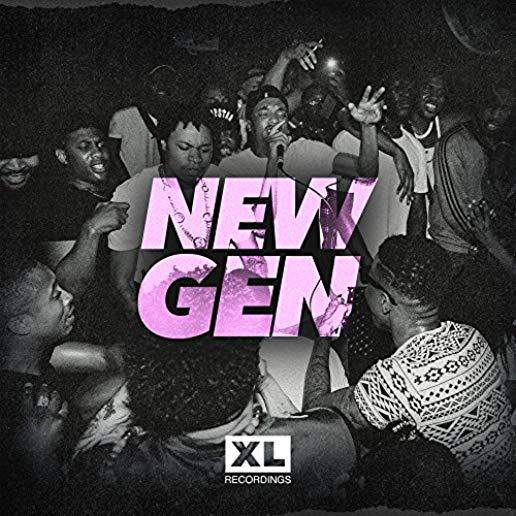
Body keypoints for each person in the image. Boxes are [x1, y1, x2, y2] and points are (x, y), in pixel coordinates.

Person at [303, 235, 514, 494]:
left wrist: (323, 337)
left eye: (368, 280)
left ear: (384, 302)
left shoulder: (395, 381)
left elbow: (314, 412)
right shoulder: (471, 336)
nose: (363, 287)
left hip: (464, 500)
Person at [68, 335, 358, 515]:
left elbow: (96, 428)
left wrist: (151, 367)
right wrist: (266, 383)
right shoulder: (303, 448)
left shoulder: (108, 470)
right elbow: (294, 439)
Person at [109, 104, 219, 317]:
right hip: (159, 306)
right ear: (163, 145)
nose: (196, 158)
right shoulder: (133, 193)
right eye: (185, 147)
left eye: (205, 149)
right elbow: (122, 283)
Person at [429, 84, 516, 349]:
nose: (496, 115)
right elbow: (455, 212)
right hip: (457, 255)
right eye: (491, 106)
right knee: (455, 339)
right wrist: (490, 241)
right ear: (478, 104)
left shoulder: (502, 146)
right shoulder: (455, 143)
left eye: (505, 109)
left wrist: (494, 243)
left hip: (489, 255)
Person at [37, 110, 129, 344]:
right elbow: (67, 287)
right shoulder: (58, 204)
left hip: (121, 322)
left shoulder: (116, 191)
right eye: (85, 147)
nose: (98, 153)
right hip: (88, 334)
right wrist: (92, 230)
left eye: (100, 144)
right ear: (63, 156)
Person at [108, 65, 177, 177]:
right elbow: (112, 154)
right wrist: (127, 181)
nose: (163, 85)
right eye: (157, 81)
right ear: (147, 86)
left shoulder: (170, 119)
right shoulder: (123, 116)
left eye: (168, 81)